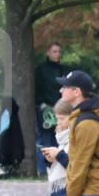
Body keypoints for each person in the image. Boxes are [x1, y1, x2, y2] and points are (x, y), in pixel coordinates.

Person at [35, 43, 68, 176]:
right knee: (45, 139)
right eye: (54, 51)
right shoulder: (40, 70)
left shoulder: (63, 70)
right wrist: (42, 104)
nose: (57, 54)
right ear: (48, 53)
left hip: (61, 108)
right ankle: (43, 169)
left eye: (59, 52)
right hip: (45, 109)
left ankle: (57, 168)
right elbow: (37, 88)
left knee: (59, 137)